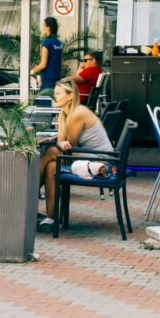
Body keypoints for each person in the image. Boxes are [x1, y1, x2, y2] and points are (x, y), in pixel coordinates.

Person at [38, 79, 114, 233]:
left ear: (70, 95)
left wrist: (60, 143)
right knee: (52, 166)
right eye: (55, 93)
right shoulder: (64, 114)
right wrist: (59, 142)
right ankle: (52, 218)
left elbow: (68, 146)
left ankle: (30, 191)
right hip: (86, 155)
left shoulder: (78, 113)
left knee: (51, 153)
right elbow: (62, 141)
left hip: (102, 161)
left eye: (58, 94)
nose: (55, 97)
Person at [31, 17, 64, 90]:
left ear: (49, 27)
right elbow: (60, 62)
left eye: (44, 25)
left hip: (47, 81)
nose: (42, 28)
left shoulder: (46, 43)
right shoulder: (59, 43)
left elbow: (43, 64)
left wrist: (31, 72)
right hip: (57, 80)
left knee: (44, 100)